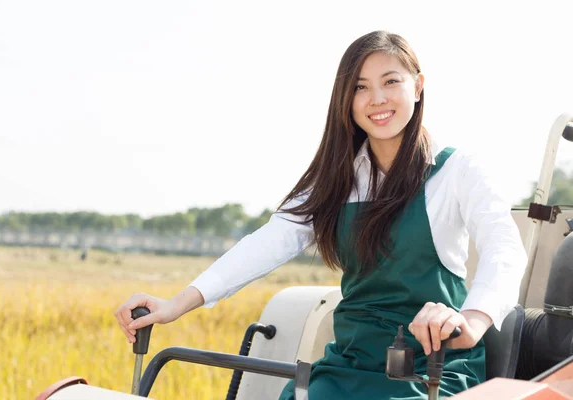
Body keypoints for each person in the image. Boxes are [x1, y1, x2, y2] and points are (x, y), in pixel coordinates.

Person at [114, 30, 527, 399]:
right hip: (351, 362)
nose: (377, 99)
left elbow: (504, 249)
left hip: (431, 367)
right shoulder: (336, 179)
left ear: (418, 87)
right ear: (346, 100)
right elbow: (266, 244)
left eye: (391, 82)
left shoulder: (458, 170)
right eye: (361, 87)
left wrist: (471, 320)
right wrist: (176, 303)